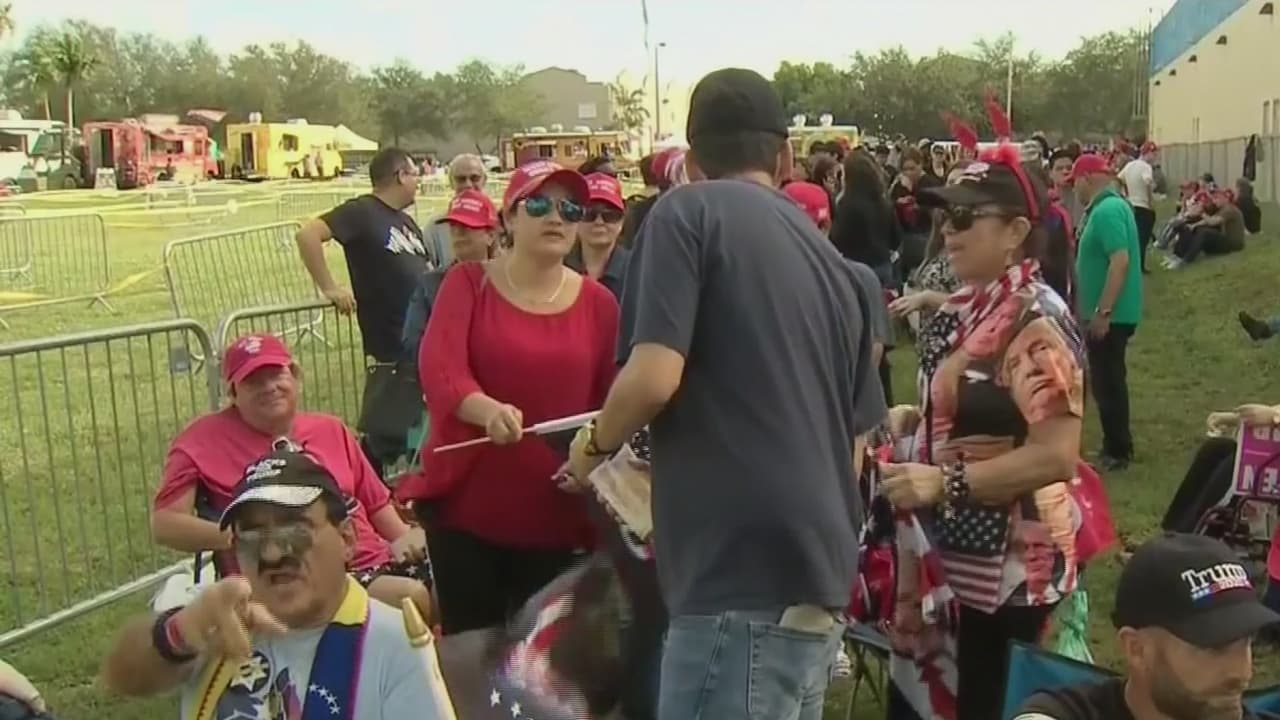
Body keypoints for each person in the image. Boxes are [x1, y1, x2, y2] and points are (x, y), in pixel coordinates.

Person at [567, 67, 884, 720]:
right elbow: (854, 446)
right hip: (820, 570)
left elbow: (655, 375)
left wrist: (591, 447)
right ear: (786, 154)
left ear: (689, 160)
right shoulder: (842, 271)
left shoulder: (687, 212)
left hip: (736, 574)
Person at [882, 148, 1084, 720]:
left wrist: (941, 481)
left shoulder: (1033, 320)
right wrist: (916, 421)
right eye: (946, 217)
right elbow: (982, 405)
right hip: (965, 561)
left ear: (1017, 230)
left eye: (967, 218)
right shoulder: (976, 305)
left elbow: (1056, 455)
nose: (948, 231)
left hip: (1015, 575)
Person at [398, 160, 619, 635]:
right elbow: (441, 370)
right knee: (469, 658)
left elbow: (612, 403)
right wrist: (487, 409)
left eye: (570, 208)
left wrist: (594, 459)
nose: (556, 217)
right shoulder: (467, 284)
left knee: (545, 676)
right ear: (508, 218)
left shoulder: (600, 305)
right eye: (538, 204)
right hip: (468, 519)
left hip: (559, 521)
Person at [104, 448, 448, 718]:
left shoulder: (390, 641)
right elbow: (124, 679)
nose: (271, 553)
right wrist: (182, 629)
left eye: (294, 529)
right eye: (251, 535)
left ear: (347, 540)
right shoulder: (216, 617)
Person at [152, 334, 433, 620]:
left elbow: (374, 504)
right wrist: (246, 537)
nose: (269, 388)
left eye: (276, 374)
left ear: (295, 376)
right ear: (233, 393)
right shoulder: (202, 441)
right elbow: (165, 524)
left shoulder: (330, 429)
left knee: (461, 579)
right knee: (410, 598)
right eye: (253, 381)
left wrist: (403, 538)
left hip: (374, 557)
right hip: (298, 576)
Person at [1014, 533, 1280, 720]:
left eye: (1246, 642)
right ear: (1137, 649)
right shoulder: (1065, 712)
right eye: (1214, 648)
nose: (1241, 672)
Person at [294, 147, 429, 471]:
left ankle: (408, 491)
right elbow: (308, 234)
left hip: (421, 347)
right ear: (400, 175)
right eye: (414, 174)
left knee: (418, 433)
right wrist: (329, 286)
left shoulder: (407, 222)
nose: (418, 182)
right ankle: (360, 489)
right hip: (390, 351)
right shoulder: (362, 212)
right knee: (384, 436)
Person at [1071, 152, 1143, 471]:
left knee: (1108, 381)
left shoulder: (1108, 210)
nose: (1075, 190)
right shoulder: (1108, 208)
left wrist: (1103, 310)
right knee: (1107, 379)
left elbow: (1121, 260)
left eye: (1076, 183)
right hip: (1110, 313)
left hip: (1111, 315)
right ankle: (1115, 444)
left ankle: (1117, 449)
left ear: (1087, 178)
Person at [564, 172, 631, 301]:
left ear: (622, 221)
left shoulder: (639, 269)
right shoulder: (556, 268)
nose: (599, 222)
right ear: (574, 217)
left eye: (610, 216)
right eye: (589, 214)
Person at [423, 154, 489, 266]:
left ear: (484, 180)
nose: (468, 185)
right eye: (461, 179)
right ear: (451, 183)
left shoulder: (500, 222)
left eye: (474, 178)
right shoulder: (435, 228)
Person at [1168, 190, 1246, 268]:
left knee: (1204, 232)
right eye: (1213, 199)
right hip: (1226, 241)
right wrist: (1194, 226)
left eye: (1217, 198)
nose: (1214, 201)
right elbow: (1209, 220)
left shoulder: (1229, 210)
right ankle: (1178, 255)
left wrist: (1202, 213)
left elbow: (1212, 222)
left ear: (1226, 198)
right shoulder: (1223, 209)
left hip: (1234, 244)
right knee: (1196, 229)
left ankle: (1186, 260)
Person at [1119, 141, 1158, 273]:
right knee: (1143, 238)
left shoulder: (1129, 165)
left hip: (1131, 204)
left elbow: (1120, 179)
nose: (1155, 157)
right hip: (1143, 206)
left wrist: (1126, 195)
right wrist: (1150, 201)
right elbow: (1147, 182)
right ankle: (1139, 265)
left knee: (1132, 236)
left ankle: (1131, 263)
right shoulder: (1146, 167)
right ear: (1149, 153)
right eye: (1154, 154)